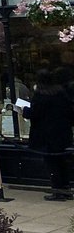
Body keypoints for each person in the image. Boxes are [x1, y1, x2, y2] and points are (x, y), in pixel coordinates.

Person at [23, 69, 74, 201]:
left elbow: (33, 114)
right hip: (62, 134)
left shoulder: (40, 95)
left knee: (52, 163)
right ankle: (66, 188)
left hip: (46, 136)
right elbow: (70, 111)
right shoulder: (61, 93)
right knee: (62, 162)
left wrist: (25, 110)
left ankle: (57, 191)